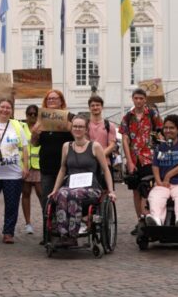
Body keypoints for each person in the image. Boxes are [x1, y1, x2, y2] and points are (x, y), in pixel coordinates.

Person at [47, 114, 116, 245]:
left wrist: (111, 191)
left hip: (91, 188)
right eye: (75, 126)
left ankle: (72, 234)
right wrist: (54, 190)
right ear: (72, 128)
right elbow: (62, 169)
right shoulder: (66, 146)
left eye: (81, 126)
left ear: (86, 130)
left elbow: (105, 170)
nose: (77, 129)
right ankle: (63, 233)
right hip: (70, 186)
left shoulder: (95, 147)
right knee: (61, 193)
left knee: (72, 194)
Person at [30, 90, 75, 240]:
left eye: (55, 99)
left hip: (65, 166)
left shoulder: (69, 117)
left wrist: (71, 127)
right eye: (49, 99)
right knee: (47, 200)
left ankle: (66, 231)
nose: (52, 101)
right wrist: (35, 133)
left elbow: (81, 137)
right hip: (47, 167)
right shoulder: (42, 119)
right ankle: (47, 233)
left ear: (61, 101)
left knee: (66, 199)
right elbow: (35, 143)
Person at [120, 88, 162, 234]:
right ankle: (140, 221)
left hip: (148, 157)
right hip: (134, 158)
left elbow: (160, 132)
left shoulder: (152, 114)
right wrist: (129, 161)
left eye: (141, 98)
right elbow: (125, 139)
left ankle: (148, 217)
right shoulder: (127, 117)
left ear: (145, 100)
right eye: (136, 98)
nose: (138, 101)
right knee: (136, 191)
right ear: (132, 99)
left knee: (148, 189)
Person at [0, 99, 29, 244]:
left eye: (8, 108)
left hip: (13, 172)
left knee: (11, 204)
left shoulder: (17, 125)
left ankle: (8, 232)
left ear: (12, 110)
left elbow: (24, 147)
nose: (5, 110)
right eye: (2, 107)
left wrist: (26, 167)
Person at [145, 115, 178, 228]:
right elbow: (155, 166)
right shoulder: (160, 147)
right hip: (163, 184)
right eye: (165, 128)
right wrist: (159, 181)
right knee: (155, 197)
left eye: (171, 128)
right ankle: (157, 220)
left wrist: (168, 176)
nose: (168, 130)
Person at [21, 104, 41, 235]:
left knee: (41, 194)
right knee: (26, 194)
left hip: (39, 166)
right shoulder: (21, 127)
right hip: (25, 166)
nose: (32, 116)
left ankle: (47, 219)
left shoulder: (41, 127)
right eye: (30, 114)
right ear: (26, 115)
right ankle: (28, 223)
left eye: (35, 114)